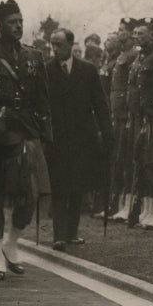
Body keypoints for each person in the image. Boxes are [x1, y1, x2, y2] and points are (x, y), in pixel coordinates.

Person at [0, 0, 52, 281]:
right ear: (0, 24)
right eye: (12, 22)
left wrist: (46, 134)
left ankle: (11, 242)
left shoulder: (34, 56)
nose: (18, 26)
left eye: (20, 20)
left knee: (30, 194)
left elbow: (43, 97)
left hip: (27, 130)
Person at [45, 28, 114, 250]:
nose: (55, 49)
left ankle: (72, 233)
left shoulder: (88, 70)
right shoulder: (46, 71)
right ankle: (59, 236)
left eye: (59, 45)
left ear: (70, 44)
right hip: (56, 138)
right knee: (59, 187)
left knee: (77, 186)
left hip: (82, 138)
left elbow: (100, 104)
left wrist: (107, 132)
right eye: (52, 45)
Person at [127, 19, 153, 229]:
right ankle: (147, 209)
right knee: (142, 162)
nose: (136, 37)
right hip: (140, 116)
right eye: (135, 34)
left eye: (141, 34)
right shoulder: (140, 57)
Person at [109, 19, 139, 221]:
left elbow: (132, 87)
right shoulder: (121, 55)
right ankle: (119, 204)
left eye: (122, 31)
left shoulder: (133, 55)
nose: (119, 34)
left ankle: (128, 205)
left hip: (127, 112)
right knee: (118, 158)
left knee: (128, 158)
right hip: (117, 112)